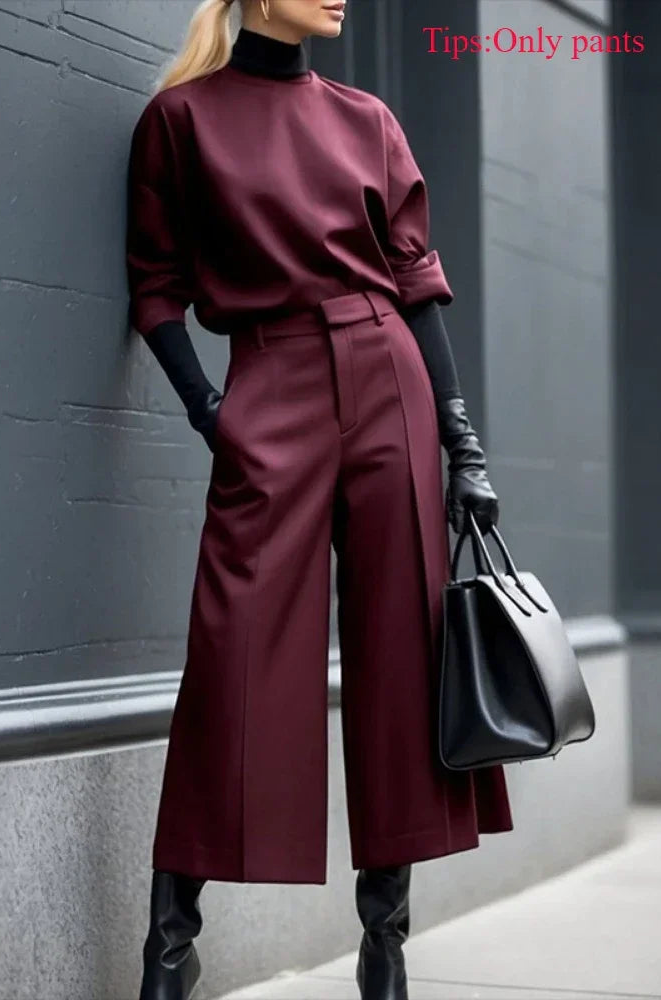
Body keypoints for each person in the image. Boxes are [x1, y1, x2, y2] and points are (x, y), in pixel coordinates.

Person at [125, 1, 515, 998]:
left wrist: (462, 444)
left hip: (389, 379)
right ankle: (171, 942)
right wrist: (214, 414)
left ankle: (385, 944)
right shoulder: (183, 119)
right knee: (232, 651)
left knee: (401, 661)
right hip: (271, 383)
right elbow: (157, 285)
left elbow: (416, 281)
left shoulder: (368, 116)